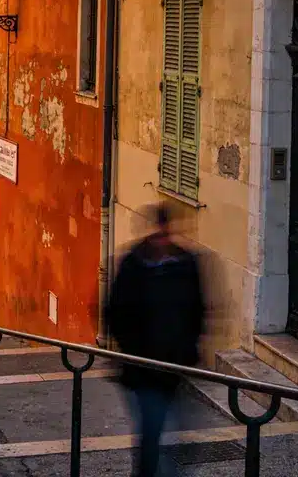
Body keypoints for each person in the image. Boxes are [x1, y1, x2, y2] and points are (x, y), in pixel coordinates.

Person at [106, 202, 204, 477]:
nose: (164, 237)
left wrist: (190, 349)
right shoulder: (133, 264)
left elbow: (199, 310)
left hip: (177, 368)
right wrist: (131, 352)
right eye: (161, 231)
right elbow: (114, 311)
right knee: (151, 433)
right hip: (143, 370)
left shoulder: (187, 263)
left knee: (176, 435)